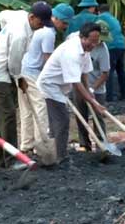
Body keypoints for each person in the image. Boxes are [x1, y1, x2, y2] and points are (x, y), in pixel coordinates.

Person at [0, 2, 53, 169]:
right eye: (40, 24)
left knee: (2, 118)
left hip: (6, 70)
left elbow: (2, 14)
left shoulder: (19, 15)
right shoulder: (20, 35)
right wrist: (20, 79)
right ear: (32, 17)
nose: (41, 28)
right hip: (1, 72)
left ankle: (1, 160)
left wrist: (2, 37)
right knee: (8, 116)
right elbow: (13, 64)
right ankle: (11, 160)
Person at [38, 23, 106, 164]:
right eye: (91, 41)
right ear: (82, 37)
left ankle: (53, 152)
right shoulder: (71, 52)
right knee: (62, 120)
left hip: (61, 85)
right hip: (50, 85)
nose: (93, 45)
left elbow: (84, 73)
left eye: (96, 41)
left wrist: (90, 94)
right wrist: (93, 103)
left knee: (58, 120)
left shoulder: (86, 49)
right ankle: (60, 156)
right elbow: (76, 82)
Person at [18, 3, 74, 155]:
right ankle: (42, 147)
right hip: (33, 74)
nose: (65, 26)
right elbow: (48, 61)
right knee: (41, 109)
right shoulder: (48, 33)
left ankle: (26, 145)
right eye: (63, 22)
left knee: (27, 110)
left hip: (22, 71)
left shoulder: (39, 30)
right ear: (54, 18)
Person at [74, 20, 111, 151]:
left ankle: (102, 144)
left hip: (97, 89)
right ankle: (84, 144)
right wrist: (84, 88)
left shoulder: (103, 50)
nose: (96, 43)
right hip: (79, 86)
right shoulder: (79, 44)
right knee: (81, 115)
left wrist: (92, 88)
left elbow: (105, 73)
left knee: (98, 116)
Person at [98, 4, 125, 102]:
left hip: (111, 46)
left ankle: (109, 96)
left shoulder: (100, 18)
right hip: (121, 45)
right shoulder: (114, 19)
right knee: (120, 71)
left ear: (99, 11)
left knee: (108, 71)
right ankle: (124, 94)